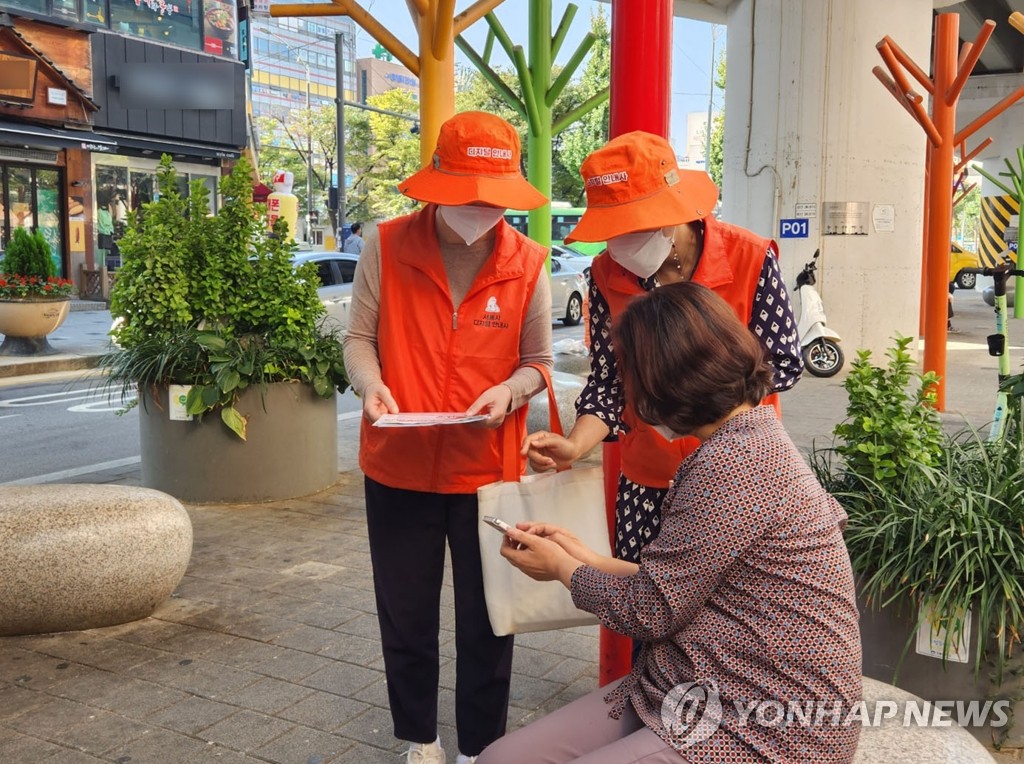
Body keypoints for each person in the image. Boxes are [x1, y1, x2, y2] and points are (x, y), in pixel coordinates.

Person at [478, 282, 861, 764]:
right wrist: (584, 555)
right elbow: (676, 584)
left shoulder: (730, 465)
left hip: (761, 719)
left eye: (632, 377)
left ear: (669, 381)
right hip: (689, 680)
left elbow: (651, 610)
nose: (630, 396)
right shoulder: (753, 435)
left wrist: (562, 569)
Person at [342, 111, 553, 764]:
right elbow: (360, 340)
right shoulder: (388, 244)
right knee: (405, 617)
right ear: (438, 181)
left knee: (490, 619)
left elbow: (539, 363)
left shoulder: (527, 261)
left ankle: (479, 748)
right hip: (398, 465)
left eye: (492, 195)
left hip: (487, 471)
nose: (479, 208)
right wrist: (369, 386)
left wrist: (510, 392)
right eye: (467, 192)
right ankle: (422, 739)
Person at [523, 131, 803, 566]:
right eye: (609, 229)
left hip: (737, 477)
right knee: (645, 609)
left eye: (628, 226)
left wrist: (696, 405)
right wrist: (575, 446)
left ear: (669, 212)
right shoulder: (605, 273)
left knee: (728, 615)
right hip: (648, 480)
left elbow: (782, 363)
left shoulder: (749, 258)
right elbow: (609, 381)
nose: (616, 244)